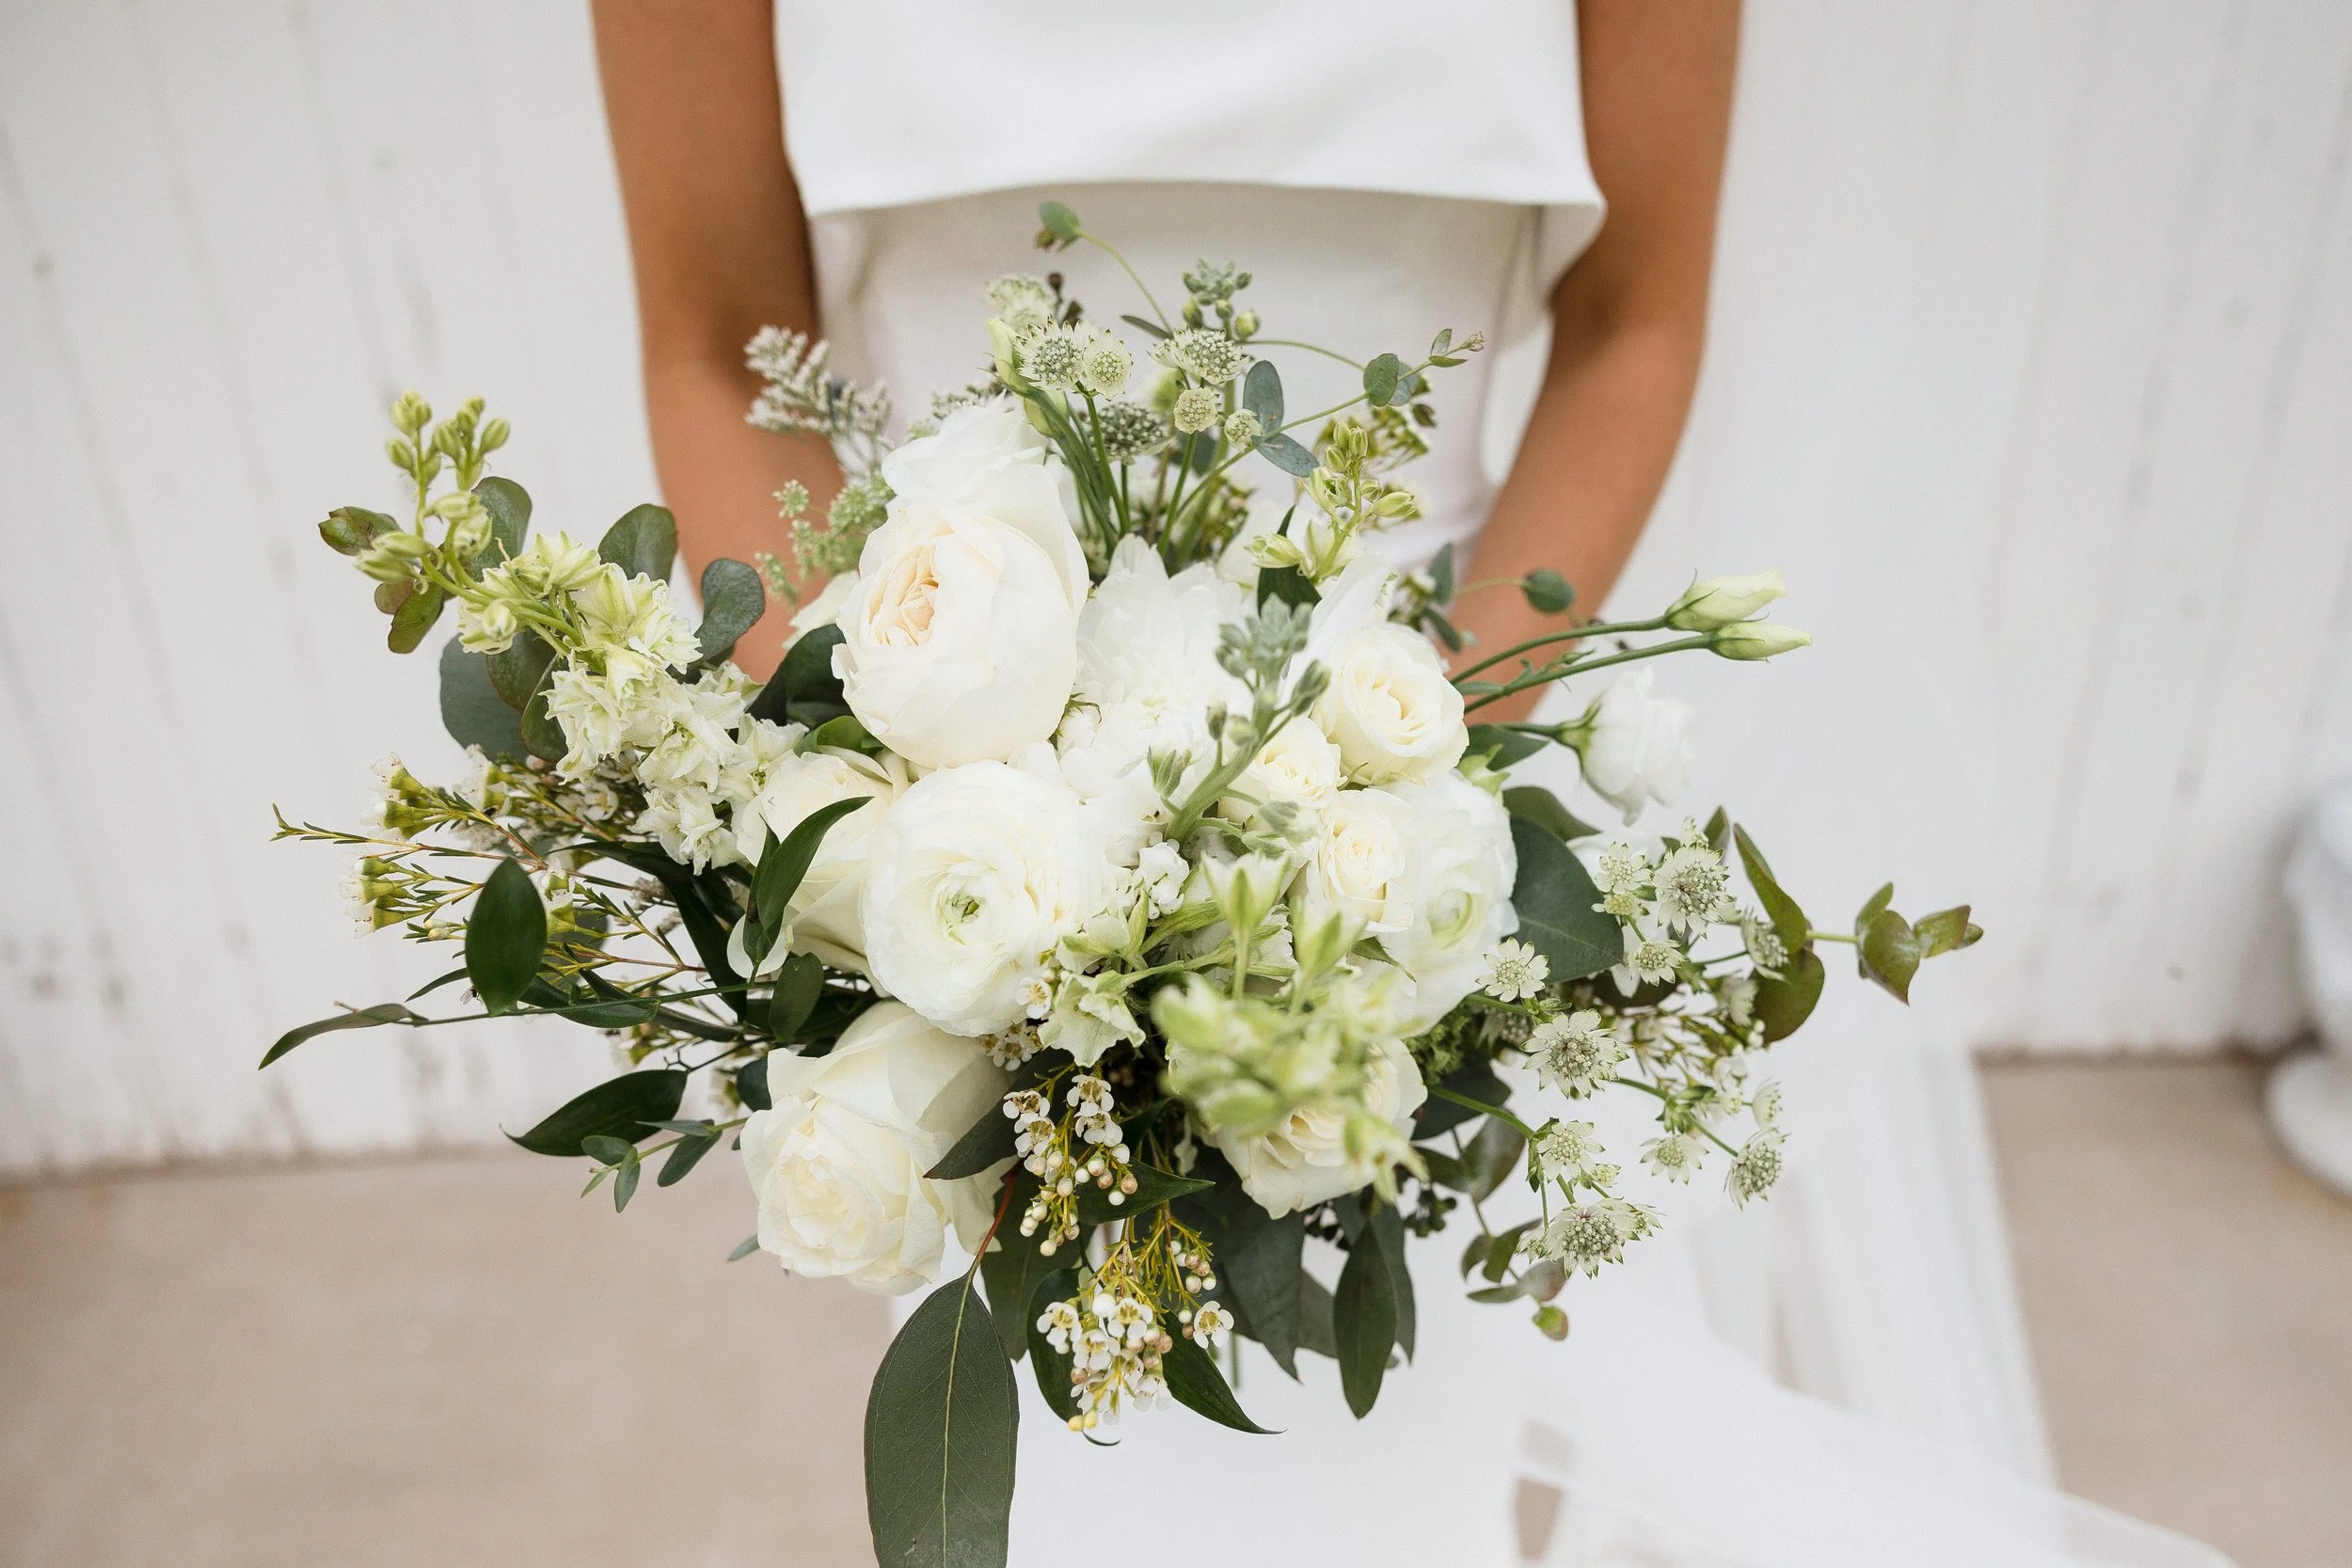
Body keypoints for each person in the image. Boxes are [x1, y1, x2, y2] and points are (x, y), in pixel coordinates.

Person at [590, 5, 2233, 1563]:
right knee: (1066, 1487)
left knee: (1385, 1466)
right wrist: (911, 799)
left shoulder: (1415, 833)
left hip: (1415, 838)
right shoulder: (967, 875)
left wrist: (1399, 789)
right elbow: (719, 329)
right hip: (982, 873)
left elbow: (1637, 319)